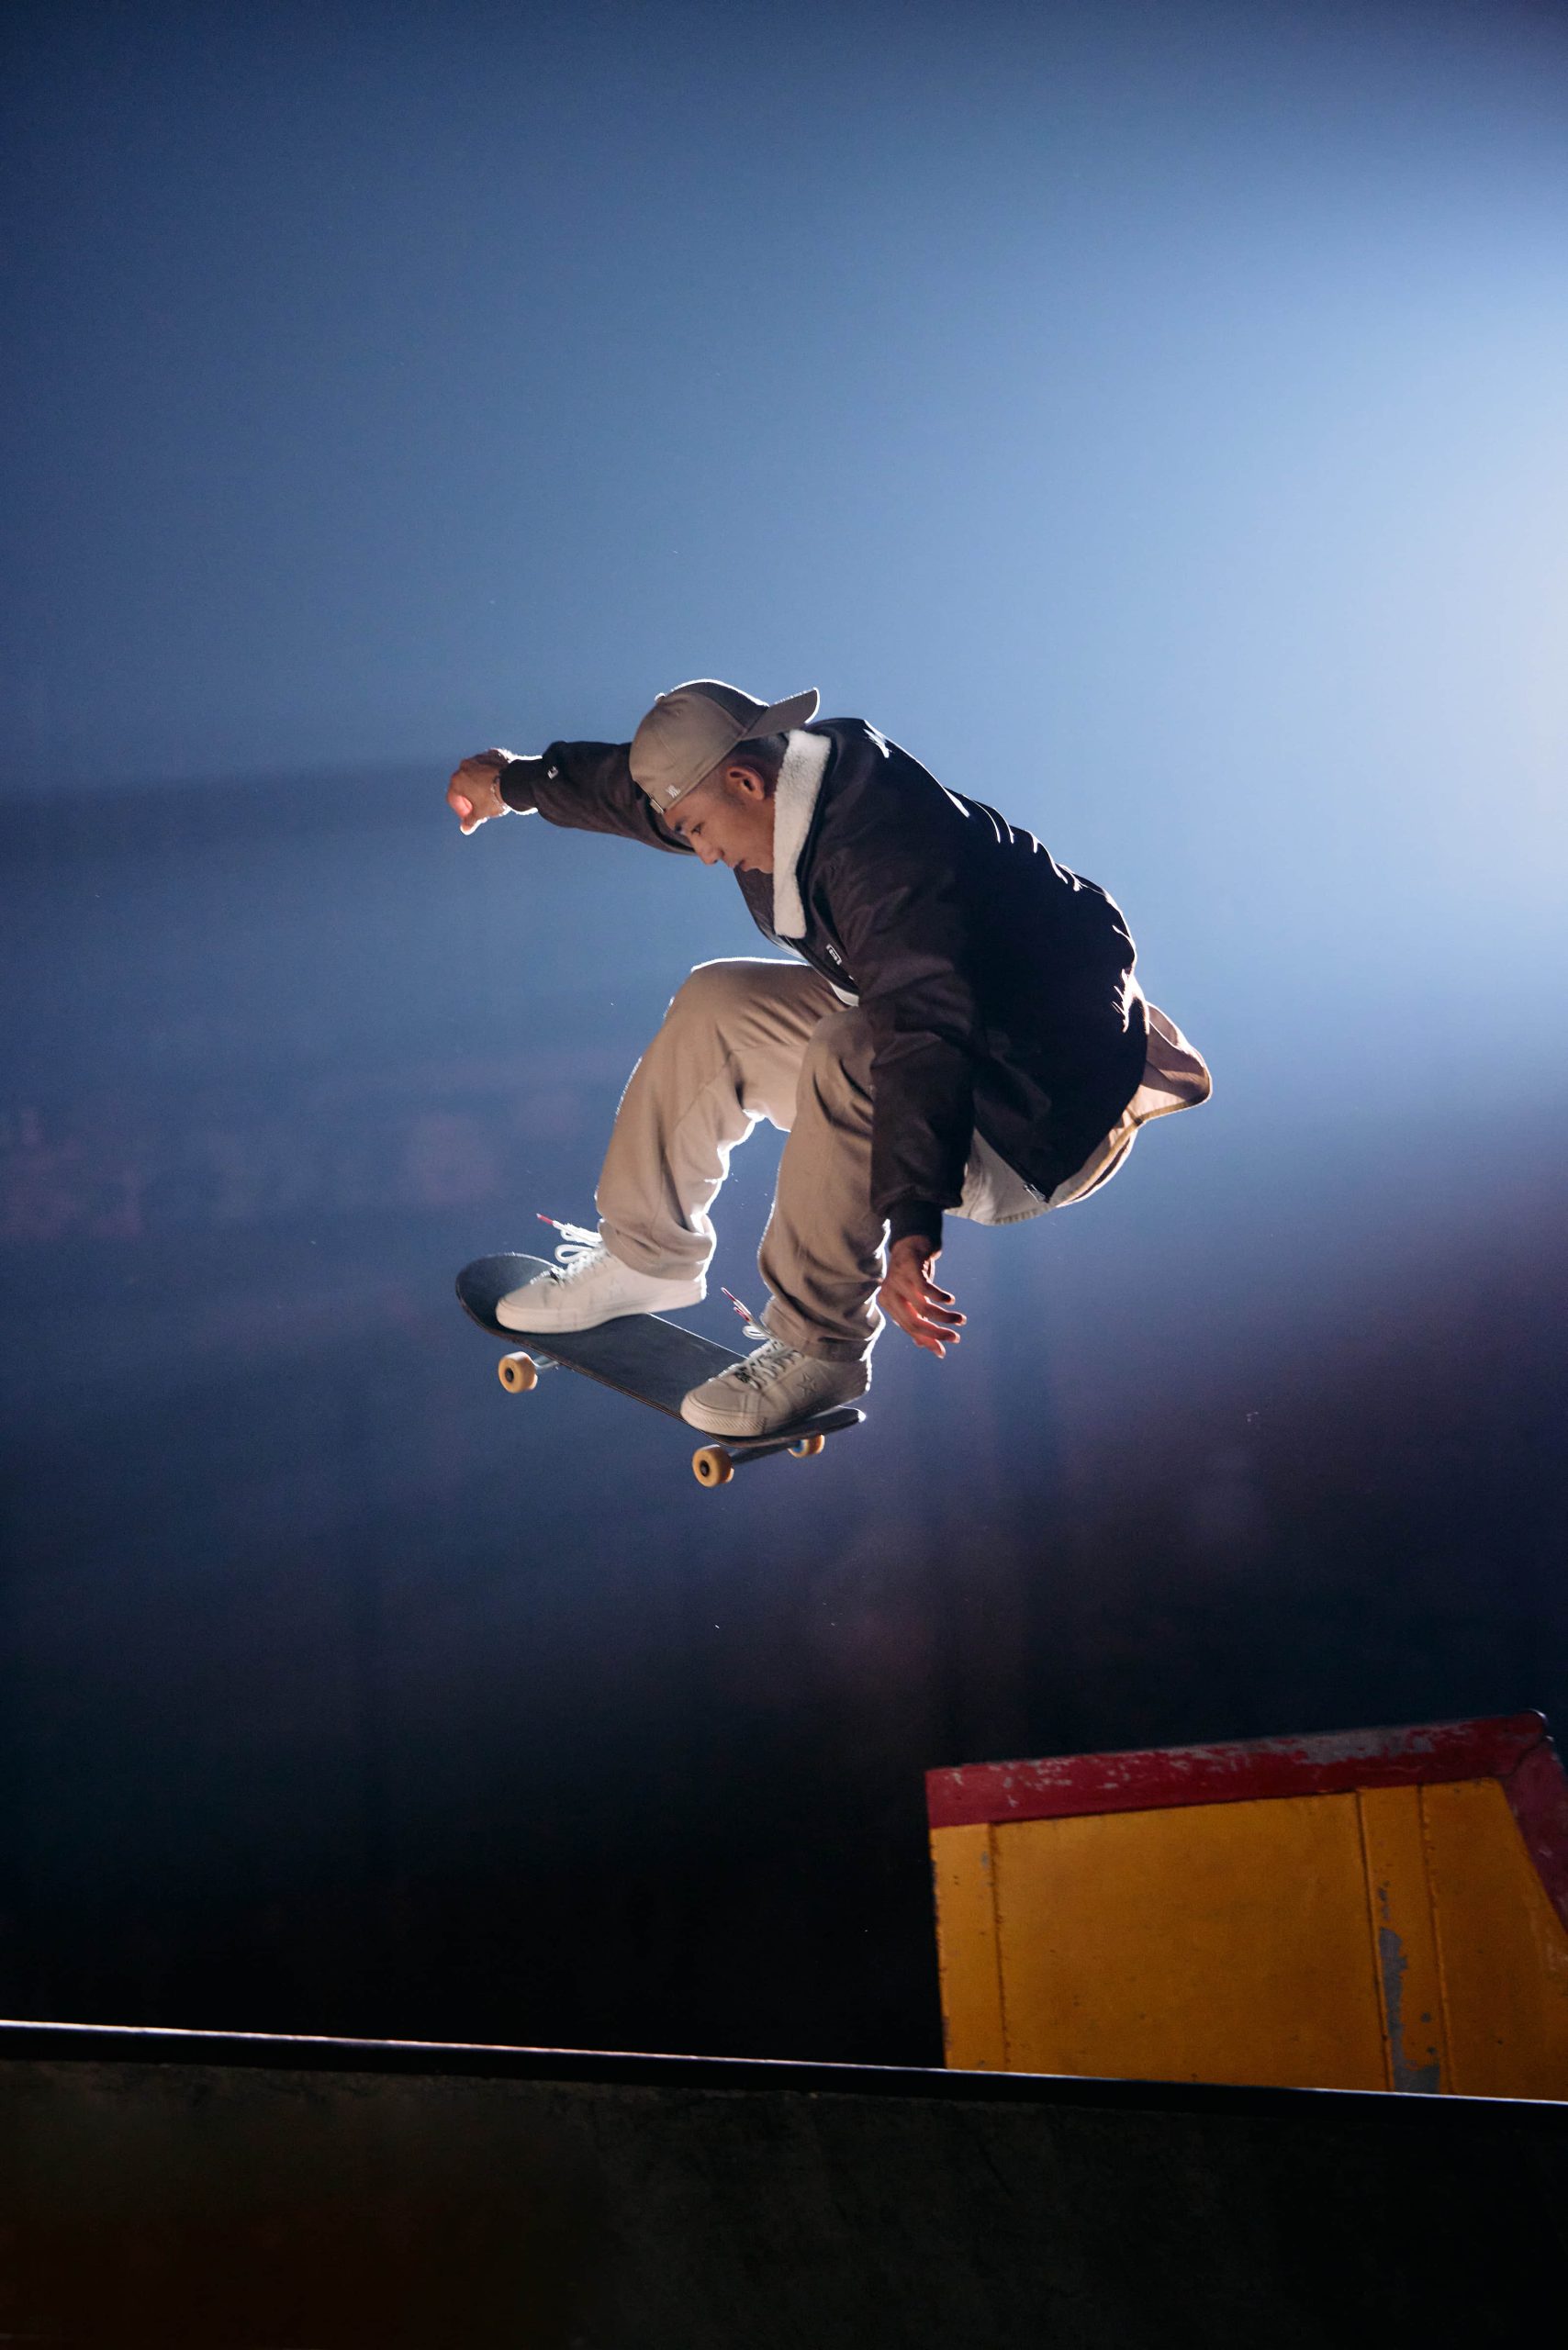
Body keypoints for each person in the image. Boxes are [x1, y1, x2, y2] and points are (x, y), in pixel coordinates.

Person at [445, 678, 1209, 1440]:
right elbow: (635, 793)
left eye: (700, 830)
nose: (703, 854)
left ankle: (821, 1346)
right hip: (951, 1048)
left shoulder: (887, 855)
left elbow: (921, 1032)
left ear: (746, 783)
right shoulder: (768, 779)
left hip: (1030, 1122)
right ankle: (648, 1257)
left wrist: (912, 1220)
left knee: (856, 1048)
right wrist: (512, 783)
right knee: (717, 1003)